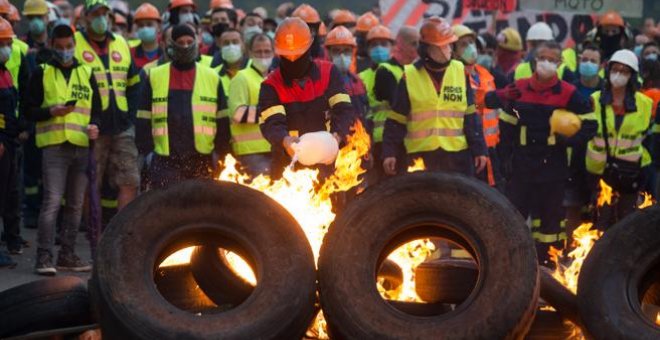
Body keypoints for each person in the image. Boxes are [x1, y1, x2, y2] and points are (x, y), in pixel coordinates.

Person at [485, 40, 596, 266]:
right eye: (543, 58)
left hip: (553, 164)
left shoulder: (568, 92)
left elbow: (590, 122)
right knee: (513, 215)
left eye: (552, 60)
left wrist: (570, 140)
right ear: (535, 60)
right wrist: (505, 158)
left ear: (560, 63)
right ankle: (510, 262)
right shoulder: (520, 87)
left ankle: (548, 263)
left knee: (551, 221)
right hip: (522, 164)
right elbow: (506, 124)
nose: (546, 63)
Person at [26, 21, 101, 275]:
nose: (65, 51)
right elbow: (28, 110)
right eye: (60, 47)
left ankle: (67, 254)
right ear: (51, 46)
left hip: (80, 146)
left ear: (74, 45)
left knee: (76, 205)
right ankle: (44, 256)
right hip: (54, 147)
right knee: (52, 201)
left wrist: (95, 127)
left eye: (69, 46)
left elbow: (98, 110)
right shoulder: (42, 72)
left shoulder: (86, 72)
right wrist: (51, 111)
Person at [382, 17, 488, 179]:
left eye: (449, 45)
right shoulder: (409, 76)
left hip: (457, 157)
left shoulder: (460, 71)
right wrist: (389, 152)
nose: (447, 50)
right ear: (427, 49)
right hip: (419, 158)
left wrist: (480, 149)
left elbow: (470, 115)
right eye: (442, 46)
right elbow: (396, 119)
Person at [257, 17, 355, 178]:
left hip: (327, 164)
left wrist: (336, 137)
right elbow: (272, 122)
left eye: (298, 55)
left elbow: (344, 111)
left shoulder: (328, 72)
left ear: (309, 48)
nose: (293, 60)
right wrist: (284, 140)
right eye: (287, 56)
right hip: (288, 166)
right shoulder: (270, 85)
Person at [136, 24, 230, 189]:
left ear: (195, 43)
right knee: (168, 208)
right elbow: (143, 117)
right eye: (181, 42)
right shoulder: (154, 76)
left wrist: (220, 153)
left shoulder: (212, 77)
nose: (185, 46)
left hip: (202, 157)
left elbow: (222, 119)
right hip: (165, 159)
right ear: (171, 45)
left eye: (189, 41)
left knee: (200, 207)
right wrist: (148, 153)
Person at [75, 0, 140, 211]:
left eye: (105, 14)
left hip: (122, 126)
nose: (101, 19)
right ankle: (92, 231)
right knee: (90, 180)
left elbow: (133, 85)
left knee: (129, 179)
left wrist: (130, 117)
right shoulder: (74, 44)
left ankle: (122, 230)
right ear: (86, 17)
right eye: (96, 15)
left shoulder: (121, 42)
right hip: (91, 127)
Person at [586, 50, 654, 231]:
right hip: (601, 171)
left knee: (627, 225)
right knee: (600, 223)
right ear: (608, 71)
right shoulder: (595, 100)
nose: (618, 75)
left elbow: (649, 138)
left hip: (631, 173)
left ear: (632, 75)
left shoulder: (645, 104)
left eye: (624, 71)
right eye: (615, 69)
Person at [452, 24, 502, 190]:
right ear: (453, 50)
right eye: (463, 44)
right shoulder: (454, 77)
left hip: (490, 149)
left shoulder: (484, 74)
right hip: (468, 150)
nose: (470, 48)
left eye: (471, 42)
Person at [564, 43, 605, 233]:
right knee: (572, 206)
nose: (588, 64)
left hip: (600, 160)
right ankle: (571, 251)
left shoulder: (606, 92)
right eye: (585, 60)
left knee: (599, 208)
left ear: (601, 65)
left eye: (593, 61)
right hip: (574, 157)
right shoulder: (570, 90)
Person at [358, 24, 402, 180]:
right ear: (368, 49)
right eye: (374, 45)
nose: (379, 48)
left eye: (384, 44)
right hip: (374, 143)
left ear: (392, 47)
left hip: (399, 139)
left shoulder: (402, 71)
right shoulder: (361, 77)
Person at [227, 33, 273, 176]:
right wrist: (270, 112)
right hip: (251, 152)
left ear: (274, 52)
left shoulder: (276, 77)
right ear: (250, 53)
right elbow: (237, 114)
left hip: (276, 148)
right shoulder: (241, 78)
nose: (263, 55)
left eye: (267, 51)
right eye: (258, 52)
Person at [0, 17, 23, 268]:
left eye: (8, 42)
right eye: (3, 43)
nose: (7, 48)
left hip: (7, 142)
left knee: (5, 196)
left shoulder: (4, 72)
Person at [325, 26, 369, 122]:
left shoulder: (358, 81)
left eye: (346, 51)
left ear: (352, 52)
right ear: (328, 53)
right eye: (336, 51)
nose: (342, 56)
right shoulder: (323, 83)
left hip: (360, 135)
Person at [210, 28, 247, 95]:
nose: (231, 46)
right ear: (220, 47)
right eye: (226, 43)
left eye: (235, 42)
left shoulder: (255, 68)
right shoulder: (213, 74)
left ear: (243, 45)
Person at [130, 3, 162, 70]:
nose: (145, 29)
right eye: (141, 25)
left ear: (159, 27)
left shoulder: (166, 55)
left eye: (149, 24)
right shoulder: (130, 54)